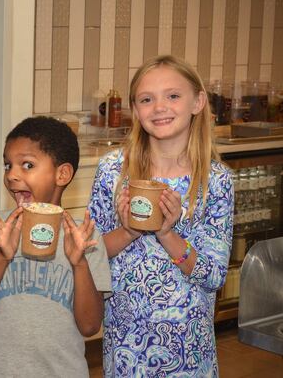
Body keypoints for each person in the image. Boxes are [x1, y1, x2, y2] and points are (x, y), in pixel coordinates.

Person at [88, 55, 234, 376]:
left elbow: (213, 276)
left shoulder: (215, 180)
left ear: (197, 102)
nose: (159, 107)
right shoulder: (113, 170)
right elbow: (89, 254)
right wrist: (128, 231)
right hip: (126, 344)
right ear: (135, 110)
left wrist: (168, 235)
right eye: (146, 99)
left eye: (173, 95)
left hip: (188, 347)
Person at [0, 116, 112, 377]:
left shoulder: (84, 237)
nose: (11, 175)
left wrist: (79, 263)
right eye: (8, 165)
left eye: (27, 165)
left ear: (62, 174)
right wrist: (1, 256)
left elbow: (90, 326)